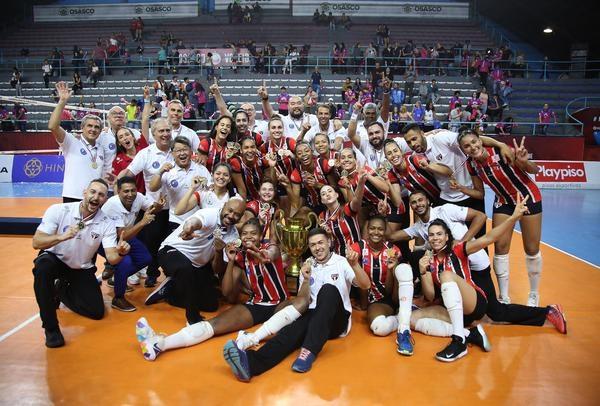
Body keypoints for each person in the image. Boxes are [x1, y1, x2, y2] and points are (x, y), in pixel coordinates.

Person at [222, 227, 371, 381]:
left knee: (329, 290)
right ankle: (250, 364)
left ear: (329, 242)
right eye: (313, 245)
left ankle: (308, 351)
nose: (317, 248)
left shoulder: (341, 262)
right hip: (314, 316)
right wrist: (306, 279)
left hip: (336, 320)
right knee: (289, 333)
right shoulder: (307, 266)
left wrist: (354, 264)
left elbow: (365, 285)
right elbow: (303, 300)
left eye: (320, 243)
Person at [136, 218, 294, 361]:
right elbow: (226, 292)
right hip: (257, 305)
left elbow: (273, 253)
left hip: (281, 303)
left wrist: (266, 254)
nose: (248, 236)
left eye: (253, 233)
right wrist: (231, 261)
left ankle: (250, 340)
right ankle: (159, 344)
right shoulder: (241, 257)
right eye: (245, 234)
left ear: (261, 236)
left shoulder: (270, 247)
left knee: (285, 323)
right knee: (213, 325)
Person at [32, 179, 131, 348]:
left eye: (101, 195)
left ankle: (60, 289)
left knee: (96, 312)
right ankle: (51, 328)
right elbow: (37, 242)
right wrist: (60, 237)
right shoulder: (59, 210)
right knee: (43, 269)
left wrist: (121, 252)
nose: (96, 197)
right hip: (55, 259)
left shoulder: (106, 222)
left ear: (104, 200)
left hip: (80, 267)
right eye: (93, 192)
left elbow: (112, 257)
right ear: (84, 192)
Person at [455, 130, 543, 306]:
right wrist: (461, 188)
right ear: (464, 150)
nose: (472, 147)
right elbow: (480, 194)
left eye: (474, 142)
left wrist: (524, 161)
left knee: (531, 249)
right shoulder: (471, 165)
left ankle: (534, 294)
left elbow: (535, 170)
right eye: (467, 146)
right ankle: (503, 297)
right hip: (503, 201)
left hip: (527, 197)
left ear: (480, 140)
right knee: (500, 247)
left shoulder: (500, 151)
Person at [144, 198, 246, 324]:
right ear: (224, 206)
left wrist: (219, 251)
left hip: (197, 266)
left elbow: (217, 269)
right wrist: (189, 228)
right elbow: (194, 222)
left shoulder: (233, 235)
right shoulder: (210, 214)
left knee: (211, 305)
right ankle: (193, 317)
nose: (231, 216)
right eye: (230, 210)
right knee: (185, 269)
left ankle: (170, 291)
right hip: (172, 251)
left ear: (241, 217)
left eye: (237, 214)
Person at [101, 177, 164, 311]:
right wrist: (142, 222)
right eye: (126, 191)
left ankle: (118, 277)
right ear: (118, 191)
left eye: (133, 190)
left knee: (146, 258)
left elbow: (152, 208)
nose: (130, 194)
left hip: (126, 235)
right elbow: (122, 235)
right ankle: (118, 298)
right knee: (126, 263)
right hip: (107, 239)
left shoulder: (138, 197)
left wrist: (159, 205)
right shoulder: (112, 206)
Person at [48, 82, 106, 202]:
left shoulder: (100, 148)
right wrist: (62, 101)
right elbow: (53, 126)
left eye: (96, 127)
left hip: (94, 199)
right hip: (73, 196)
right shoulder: (71, 141)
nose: (93, 129)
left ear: (100, 131)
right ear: (82, 128)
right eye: (89, 126)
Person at [349, 216, 404, 334]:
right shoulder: (359, 246)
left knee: (379, 328)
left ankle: (402, 319)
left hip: (384, 298)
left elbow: (390, 291)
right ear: (367, 230)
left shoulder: (391, 250)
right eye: (372, 228)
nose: (376, 232)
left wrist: (391, 269)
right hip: (364, 296)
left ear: (385, 231)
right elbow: (353, 274)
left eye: (380, 229)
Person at [148, 136, 212, 229]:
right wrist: (160, 172)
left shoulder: (201, 168)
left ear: (191, 151)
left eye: (185, 149)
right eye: (178, 150)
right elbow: (152, 188)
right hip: (176, 219)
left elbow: (210, 190)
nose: (182, 153)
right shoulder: (168, 170)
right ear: (172, 153)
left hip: (198, 219)